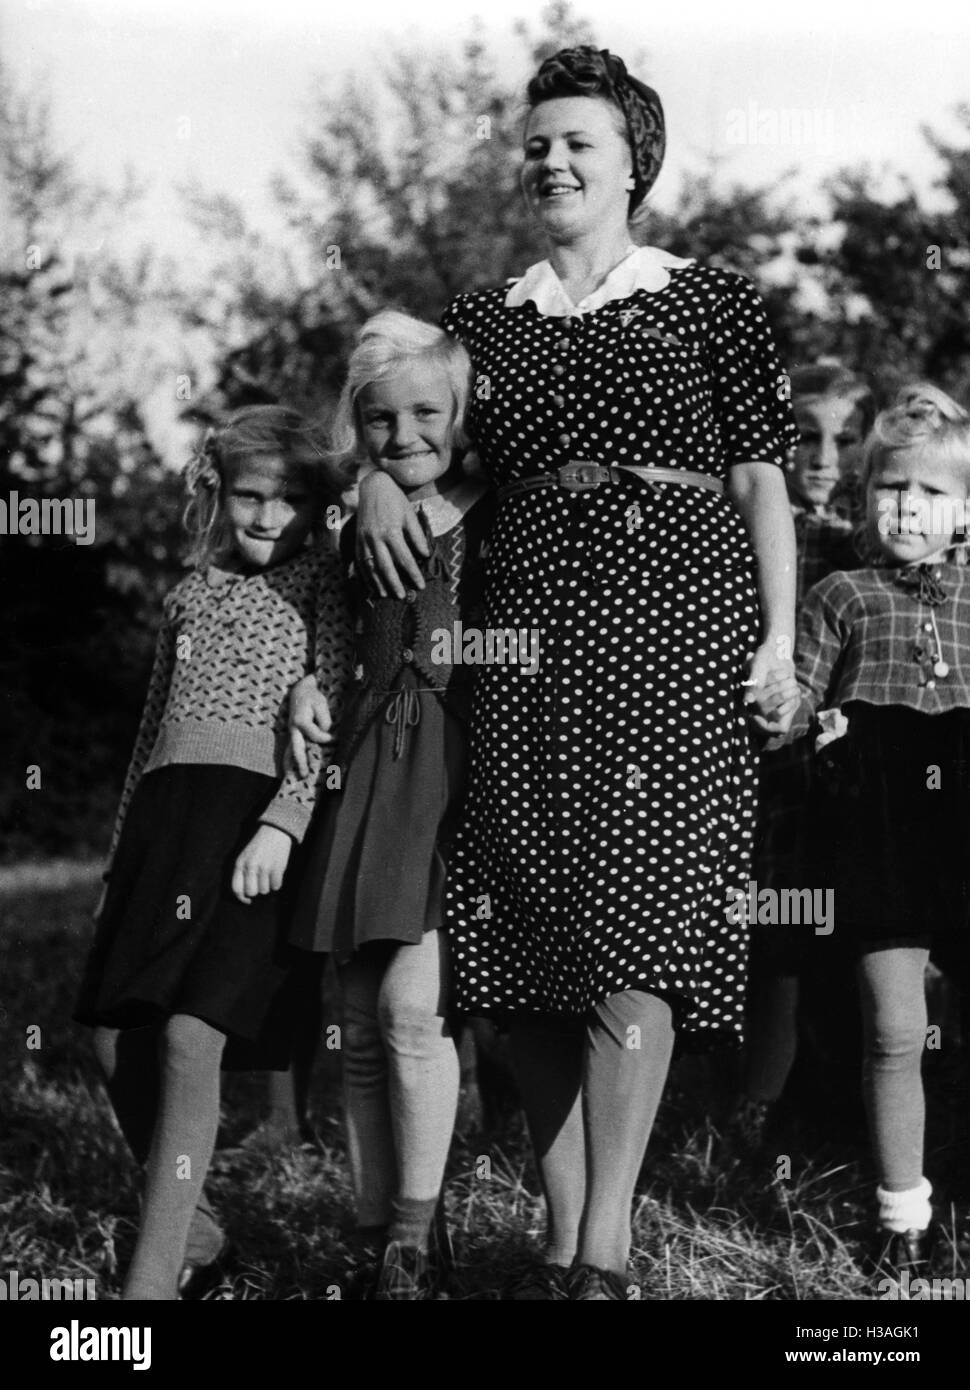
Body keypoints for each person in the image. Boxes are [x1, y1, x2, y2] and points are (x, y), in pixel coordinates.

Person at [352, 45, 800, 1299]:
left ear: (633, 162)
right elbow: (406, 415)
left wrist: (775, 642)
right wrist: (372, 478)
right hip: (522, 631)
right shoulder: (485, 318)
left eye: (579, 143)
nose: (552, 160)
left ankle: (601, 1255)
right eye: (537, 143)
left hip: (676, 619)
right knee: (522, 941)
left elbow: (762, 481)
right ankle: (560, 1243)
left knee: (639, 925)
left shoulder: (709, 298)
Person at [75, 406, 353, 1300]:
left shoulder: (324, 585)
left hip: (252, 834)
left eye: (290, 500)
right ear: (218, 494)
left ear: (318, 505)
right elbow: (149, 735)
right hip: (167, 828)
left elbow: (334, 710)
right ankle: (193, 1232)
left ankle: (146, 1290)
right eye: (249, 497)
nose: (269, 518)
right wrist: (121, 857)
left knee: (194, 1037)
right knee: (117, 1041)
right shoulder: (187, 594)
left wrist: (287, 818)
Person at [289, 311, 493, 1299]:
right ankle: (378, 1236)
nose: (402, 433)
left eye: (426, 412)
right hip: (363, 763)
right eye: (378, 419)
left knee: (416, 1012)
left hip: (449, 772)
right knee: (359, 1020)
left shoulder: (490, 504)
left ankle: (417, 1231)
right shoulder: (350, 516)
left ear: (460, 414)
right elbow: (325, 625)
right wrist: (360, 480)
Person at [768, 383, 970, 1278]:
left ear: (963, 507)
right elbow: (794, 697)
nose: (907, 507)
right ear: (862, 495)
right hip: (879, 826)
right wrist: (785, 707)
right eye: (890, 487)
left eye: (930, 492)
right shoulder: (841, 592)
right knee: (893, 1031)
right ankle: (902, 1219)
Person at [737, 364, 875, 1144]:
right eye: (808, 437)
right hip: (782, 753)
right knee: (780, 928)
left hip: (860, 753)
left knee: (857, 930)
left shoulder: (883, 524)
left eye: (846, 439)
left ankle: (854, 1087)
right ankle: (760, 1095)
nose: (824, 457)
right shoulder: (760, 515)